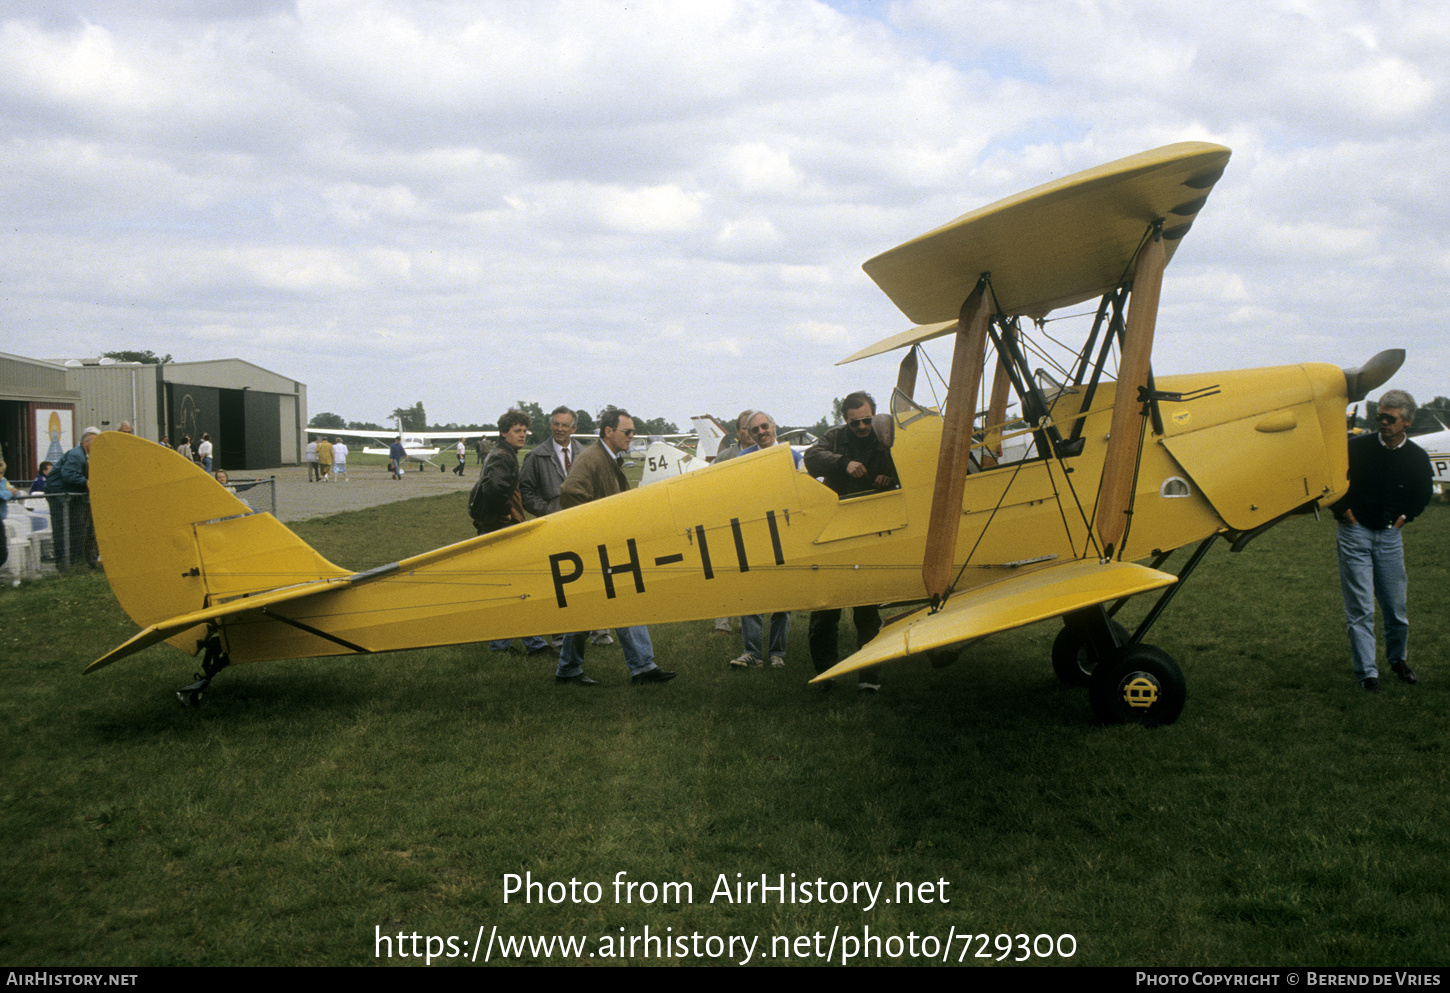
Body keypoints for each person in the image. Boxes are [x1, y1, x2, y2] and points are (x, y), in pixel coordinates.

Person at [554, 409, 675, 686]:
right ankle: (642, 667)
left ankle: (569, 668)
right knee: (624, 604)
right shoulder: (592, 458)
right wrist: (595, 528)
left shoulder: (607, 458)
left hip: (605, 549)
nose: (632, 437)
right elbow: (570, 492)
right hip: (597, 549)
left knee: (587, 610)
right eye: (628, 432)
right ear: (609, 431)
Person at [1330, 389, 1433, 691]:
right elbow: (1334, 481)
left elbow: (1422, 493)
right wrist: (1344, 512)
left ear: (1407, 422)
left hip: (1390, 536)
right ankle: (1368, 674)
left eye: (1391, 419)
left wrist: (1404, 517)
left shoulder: (1416, 457)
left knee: (1396, 608)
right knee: (1361, 608)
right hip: (1354, 533)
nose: (1384, 423)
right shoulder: (1356, 447)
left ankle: (1397, 659)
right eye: (1381, 417)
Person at [802, 392, 899, 691]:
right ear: (846, 420)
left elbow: (907, 465)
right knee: (824, 613)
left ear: (874, 415)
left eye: (867, 420)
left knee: (867, 612)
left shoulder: (885, 435)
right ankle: (826, 676)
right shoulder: (834, 437)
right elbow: (811, 457)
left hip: (868, 532)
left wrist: (889, 477)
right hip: (833, 532)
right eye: (855, 422)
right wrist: (844, 463)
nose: (862, 427)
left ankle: (869, 677)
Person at [518, 406, 603, 648]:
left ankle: (597, 631)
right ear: (550, 426)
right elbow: (525, 492)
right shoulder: (536, 456)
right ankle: (559, 636)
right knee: (559, 582)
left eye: (565, 425)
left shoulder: (586, 454)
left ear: (574, 428)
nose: (560, 429)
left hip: (583, 527)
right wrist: (548, 511)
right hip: (553, 529)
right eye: (556, 424)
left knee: (591, 579)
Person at [471, 411, 550, 657]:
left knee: (507, 590)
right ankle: (532, 645)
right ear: (504, 433)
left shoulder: (504, 454)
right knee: (518, 588)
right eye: (517, 431)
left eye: (525, 431)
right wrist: (505, 515)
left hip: (496, 527)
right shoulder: (502, 456)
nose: (522, 435)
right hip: (500, 529)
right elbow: (493, 487)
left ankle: (505, 646)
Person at [728, 410, 800, 669]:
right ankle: (752, 652)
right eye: (755, 429)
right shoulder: (743, 459)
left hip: (785, 532)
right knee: (752, 594)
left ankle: (777, 653)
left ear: (773, 426)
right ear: (749, 433)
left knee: (783, 598)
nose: (761, 432)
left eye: (764, 426)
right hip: (755, 534)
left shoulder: (792, 455)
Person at [709, 408, 757, 636]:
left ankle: (749, 624)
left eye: (753, 427)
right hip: (729, 523)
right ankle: (723, 625)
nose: (749, 432)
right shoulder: (726, 456)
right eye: (745, 428)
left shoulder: (766, 453)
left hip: (755, 523)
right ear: (738, 432)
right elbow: (708, 484)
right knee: (726, 573)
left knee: (751, 575)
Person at [48, 426, 101, 571]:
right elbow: (68, 474)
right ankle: (66, 564)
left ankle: (80, 562)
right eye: (94, 442)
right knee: (64, 529)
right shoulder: (76, 454)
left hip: (72, 497)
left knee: (78, 529)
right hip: (59, 495)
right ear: (85, 442)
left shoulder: (89, 456)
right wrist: (86, 482)